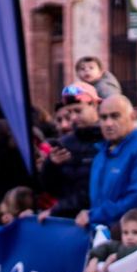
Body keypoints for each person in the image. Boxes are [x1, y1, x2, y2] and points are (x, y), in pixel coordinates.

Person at [76, 95, 137, 234]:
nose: (108, 123)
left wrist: (95, 215)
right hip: (107, 241)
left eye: (115, 116)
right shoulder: (101, 154)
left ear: (131, 117)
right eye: (103, 117)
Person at [39, 84, 103, 221]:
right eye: (70, 113)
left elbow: (94, 191)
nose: (73, 118)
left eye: (78, 111)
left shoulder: (107, 140)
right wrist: (50, 166)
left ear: (94, 105)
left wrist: (57, 210)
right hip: (70, 221)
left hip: (97, 220)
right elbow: (51, 188)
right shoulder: (65, 143)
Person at [84, 207, 137, 272]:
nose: (129, 237)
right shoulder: (120, 246)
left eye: (135, 232)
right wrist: (95, 258)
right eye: (125, 232)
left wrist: (117, 256)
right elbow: (106, 247)